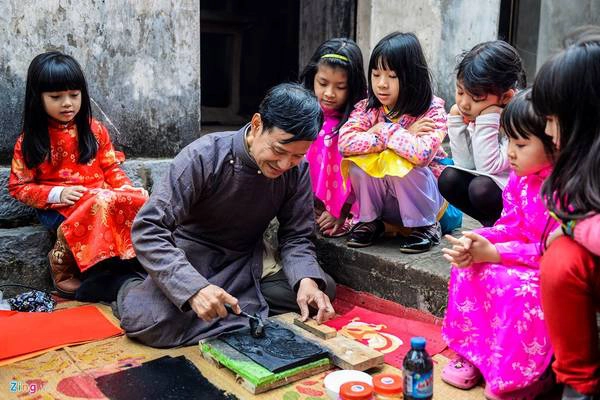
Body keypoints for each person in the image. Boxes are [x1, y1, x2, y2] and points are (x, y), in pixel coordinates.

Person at [116, 83, 336, 348]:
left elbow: (296, 236)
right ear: (257, 124)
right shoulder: (204, 156)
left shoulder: (296, 171)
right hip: (193, 254)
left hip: (248, 257)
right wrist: (193, 289)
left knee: (319, 291)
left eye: (297, 156)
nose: (284, 164)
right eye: (278, 150)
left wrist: (307, 280)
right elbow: (149, 228)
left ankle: (227, 303)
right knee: (150, 323)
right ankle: (130, 284)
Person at [441, 90, 556, 399]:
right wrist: (478, 241)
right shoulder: (519, 179)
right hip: (518, 252)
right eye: (508, 142)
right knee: (468, 267)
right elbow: (510, 224)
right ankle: (476, 356)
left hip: (545, 266)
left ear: (553, 142)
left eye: (520, 144)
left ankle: (522, 374)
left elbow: (553, 250)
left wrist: (495, 253)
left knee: (521, 290)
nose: (511, 154)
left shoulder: (563, 188)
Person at [8, 51, 148, 299]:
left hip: (99, 198)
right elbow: (19, 187)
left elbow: (110, 168)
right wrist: (58, 193)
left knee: (140, 200)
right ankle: (62, 261)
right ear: (37, 98)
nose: (67, 103)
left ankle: (131, 266)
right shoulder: (29, 142)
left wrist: (126, 189)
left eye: (74, 95)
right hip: (58, 208)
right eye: (56, 96)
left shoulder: (95, 130)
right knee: (101, 203)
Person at [338, 31, 457, 253]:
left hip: (425, 201)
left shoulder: (432, 111)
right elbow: (345, 143)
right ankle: (369, 220)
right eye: (376, 75)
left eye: (392, 76)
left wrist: (386, 129)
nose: (382, 84)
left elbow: (421, 155)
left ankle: (425, 227)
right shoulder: (368, 109)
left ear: (412, 76)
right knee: (357, 163)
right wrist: (403, 134)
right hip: (388, 205)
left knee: (401, 164)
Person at [533, 34, 600, 400]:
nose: (547, 130)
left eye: (553, 118)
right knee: (561, 259)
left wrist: (571, 228)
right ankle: (577, 387)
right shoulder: (580, 165)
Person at [438, 40, 526, 227]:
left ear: (506, 97)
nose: (464, 104)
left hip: (521, 196)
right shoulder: (477, 111)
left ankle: (504, 228)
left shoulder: (520, 118)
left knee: (481, 188)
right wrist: (455, 122)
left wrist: (489, 117)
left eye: (476, 97)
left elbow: (488, 167)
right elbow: (465, 164)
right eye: (460, 92)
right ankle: (492, 225)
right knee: (449, 178)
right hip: (495, 183)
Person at [299, 37, 366, 237]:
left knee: (333, 136)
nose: (329, 93)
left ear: (352, 87)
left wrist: (341, 209)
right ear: (313, 77)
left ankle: (338, 209)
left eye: (340, 87)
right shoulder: (300, 109)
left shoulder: (361, 118)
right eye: (323, 83)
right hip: (305, 201)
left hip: (345, 203)